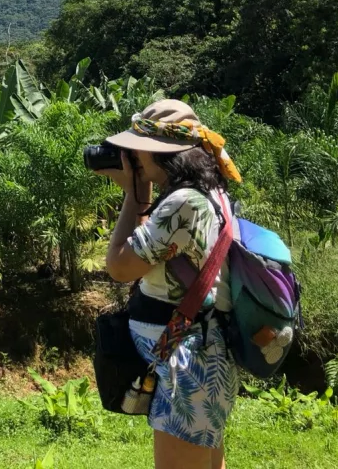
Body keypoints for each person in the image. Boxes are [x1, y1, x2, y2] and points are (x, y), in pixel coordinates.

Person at [96, 100, 241, 469]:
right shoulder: (210, 191)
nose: (133, 157)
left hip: (187, 362)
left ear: (159, 153)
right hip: (203, 355)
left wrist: (133, 193)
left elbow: (119, 266)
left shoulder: (182, 202)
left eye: (138, 149)